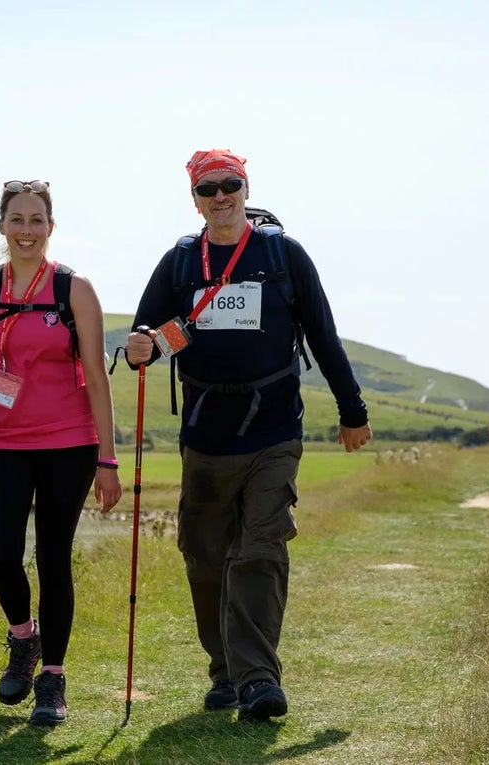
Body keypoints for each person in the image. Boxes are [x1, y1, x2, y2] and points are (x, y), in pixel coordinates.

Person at [124, 149, 372, 723]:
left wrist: (352, 410)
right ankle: (225, 673)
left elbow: (324, 335)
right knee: (207, 557)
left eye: (229, 184)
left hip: (274, 428)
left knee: (260, 548)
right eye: (207, 188)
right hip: (204, 432)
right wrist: (141, 346)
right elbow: (146, 333)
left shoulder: (282, 255)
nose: (220, 196)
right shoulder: (180, 263)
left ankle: (259, 679)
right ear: (194, 199)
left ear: (245, 186)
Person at [0, 179, 122, 726]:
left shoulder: (74, 290)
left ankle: (53, 680)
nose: (26, 230)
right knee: (0, 554)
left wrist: (107, 459)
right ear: (2, 226)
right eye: (17, 219)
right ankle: (23, 638)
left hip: (70, 439)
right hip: (3, 439)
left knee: (53, 556)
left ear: (50, 228)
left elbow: (99, 383)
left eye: (37, 220)